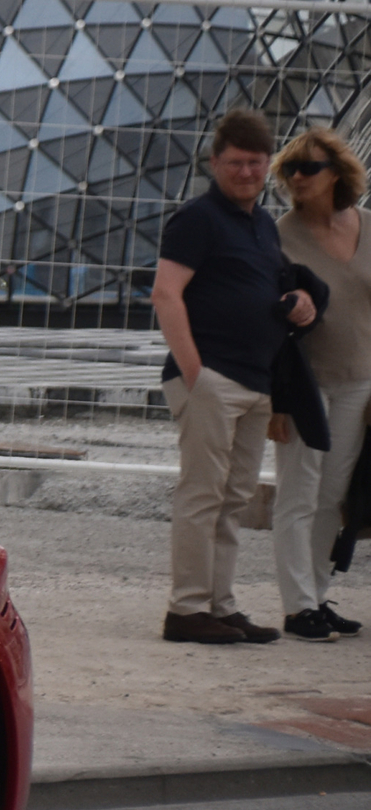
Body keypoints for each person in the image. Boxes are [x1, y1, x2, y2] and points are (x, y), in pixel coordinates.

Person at [153, 108, 321, 644]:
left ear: (267, 164)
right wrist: (195, 372)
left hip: (254, 382)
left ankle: (220, 605)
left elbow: (253, 290)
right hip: (212, 378)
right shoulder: (197, 219)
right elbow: (165, 293)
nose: (246, 172)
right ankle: (186, 610)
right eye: (235, 163)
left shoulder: (262, 225)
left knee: (233, 500)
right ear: (214, 162)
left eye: (255, 163)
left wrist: (296, 303)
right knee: (203, 495)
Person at [267, 128, 369, 641]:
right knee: (298, 494)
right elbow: (270, 324)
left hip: (358, 384)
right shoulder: (280, 236)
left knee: (332, 496)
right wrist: (275, 402)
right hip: (305, 385)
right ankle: (297, 605)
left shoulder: (368, 227)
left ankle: (319, 594)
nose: (296, 178)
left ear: (338, 174)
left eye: (308, 168)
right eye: (290, 170)